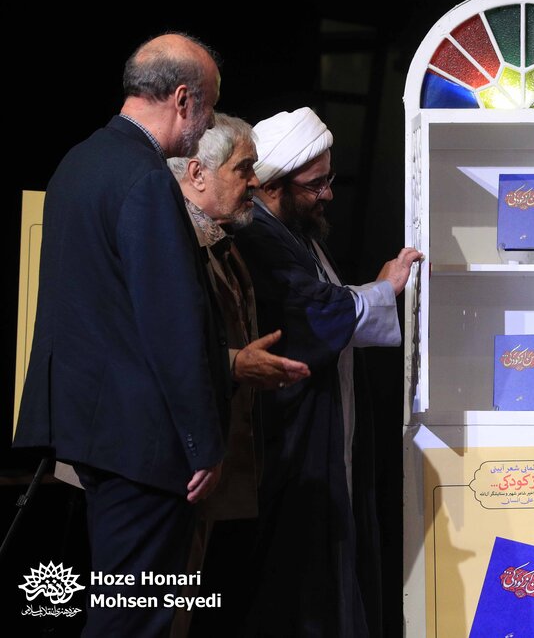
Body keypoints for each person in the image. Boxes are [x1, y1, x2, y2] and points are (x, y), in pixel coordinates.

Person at [14, 33, 228, 637]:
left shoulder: (78, 161)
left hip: (92, 431)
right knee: (134, 619)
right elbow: (172, 323)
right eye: (210, 106)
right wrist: (202, 443)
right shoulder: (145, 179)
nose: (209, 124)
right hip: (143, 445)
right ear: (183, 99)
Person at [234, 107, 421, 636]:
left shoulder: (294, 231)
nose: (329, 194)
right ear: (274, 185)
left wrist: (374, 291)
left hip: (321, 421)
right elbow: (313, 312)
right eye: (316, 184)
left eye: (329, 179)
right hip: (290, 432)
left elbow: (327, 300)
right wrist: (384, 289)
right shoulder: (259, 236)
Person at [167, 114, 311, 636]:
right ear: (197, 174)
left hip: (201, 464)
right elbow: (157, 345)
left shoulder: (222, 237)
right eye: (243, 168)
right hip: (167, 463)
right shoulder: (170, 240)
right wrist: (234, 363)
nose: (254, 181)